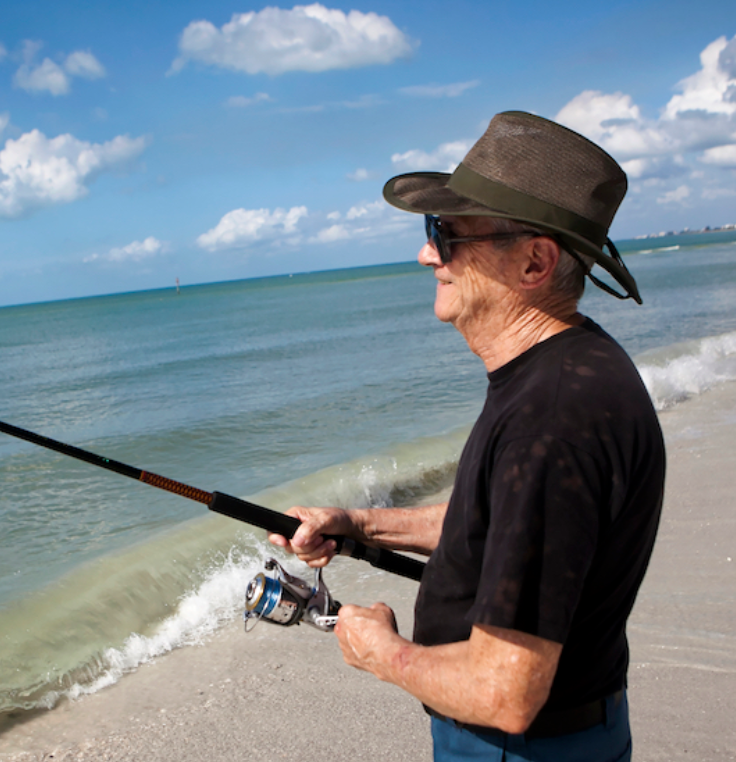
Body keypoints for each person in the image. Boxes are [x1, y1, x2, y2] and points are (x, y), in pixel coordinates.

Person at [271, 112, 665, 762]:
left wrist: (383, 652)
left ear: (536, 260)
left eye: (448, 235)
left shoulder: (552, 418)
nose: (428, 253)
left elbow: (502, 693)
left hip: (522, 747)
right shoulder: (573, 366)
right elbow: (508, 520)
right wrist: (360, 524)